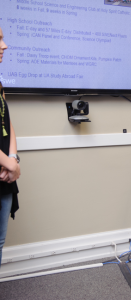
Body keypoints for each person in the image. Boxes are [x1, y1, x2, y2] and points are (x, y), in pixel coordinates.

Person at [0, 27, 20, 267]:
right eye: (0, 39)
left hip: (4, 175)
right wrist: (10, 166)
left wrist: (12, 159)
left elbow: (7, 121)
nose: (5, 46)